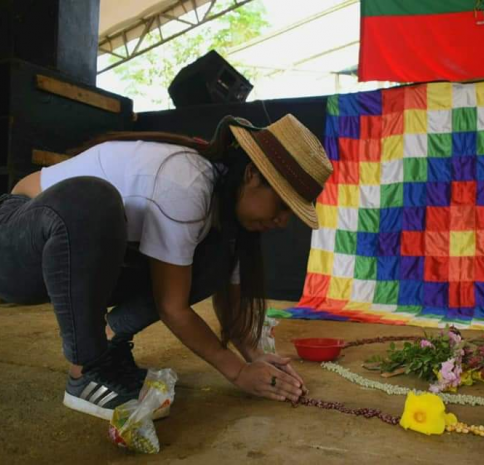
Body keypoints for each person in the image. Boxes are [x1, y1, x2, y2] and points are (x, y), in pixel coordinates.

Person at [0, 113, 333, 420]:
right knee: (93, 198)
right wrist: (237, 373)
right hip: (19, 242)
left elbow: (224, 296)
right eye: (284, 205)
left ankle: (107, 343)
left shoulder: (225, 212)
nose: (283, 221)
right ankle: (85, 372)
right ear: (252, 175)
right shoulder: (186, 181)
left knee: (210, 263)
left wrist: (254, 356)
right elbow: (172, 308)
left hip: (71, 261)